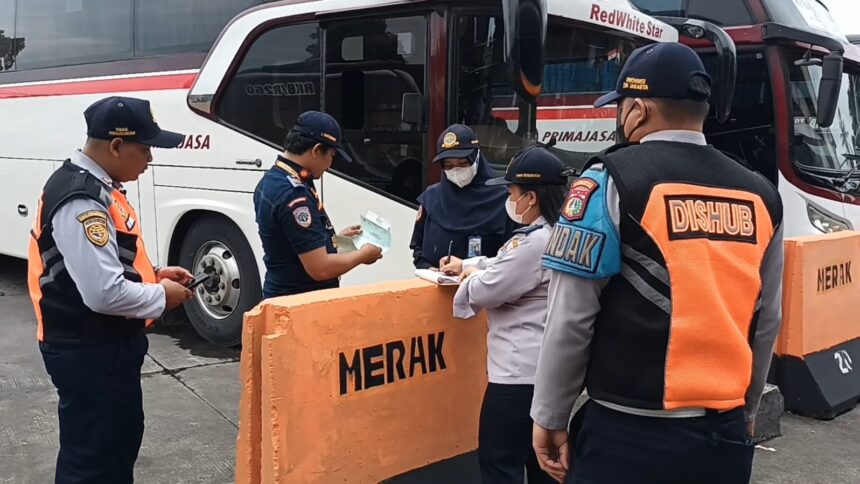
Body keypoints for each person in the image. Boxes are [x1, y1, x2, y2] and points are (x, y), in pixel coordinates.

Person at [531, 43, 784, 484]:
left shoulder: (608, 180)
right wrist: (746, 409)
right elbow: (766, 318)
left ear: (638, 109)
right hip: (721, 437)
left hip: (626, 435)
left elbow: (570, 317)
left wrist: (550, 414)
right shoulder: (761, 195)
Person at [28, 96, 194, 483]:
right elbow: (102, 293)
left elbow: (94, 264)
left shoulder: (97, 186)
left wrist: (153, 274)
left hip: (99, 345)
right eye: (146, 148)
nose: (150, 159)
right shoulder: (81, 199)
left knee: (114, 448)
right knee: (94, 462)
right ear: (116, 146)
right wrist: (162, 296)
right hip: (89, 349)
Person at [441, 146, 567, 484]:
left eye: (511, 192)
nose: (509, 200)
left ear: (531, 197)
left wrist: (469, 278)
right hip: (547, 373)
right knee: (543, 467)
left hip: (515, 377)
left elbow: (487, 290)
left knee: (500, 467)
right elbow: (502, 263)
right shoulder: (558, 233)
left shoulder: (534, 242)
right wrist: (469, 264)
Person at [254, 111, 382, 298]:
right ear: (316, 150)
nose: (330, 165)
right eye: (331, 155)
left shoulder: (276, 178)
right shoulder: (293, 196)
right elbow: (319, 268)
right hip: (297, 305)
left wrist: (337, 240)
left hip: (286, 297)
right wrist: (364, 255)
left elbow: (295, 244)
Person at [411, 124, 514, 269]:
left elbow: (513, 256)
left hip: (485, 287)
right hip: (436, 286)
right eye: (448, 165)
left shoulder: (505, 199)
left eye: (463, 163)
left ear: (476, 158)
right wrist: (429, 269)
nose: (456, 170)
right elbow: (418, 248)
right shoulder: (431, 199)